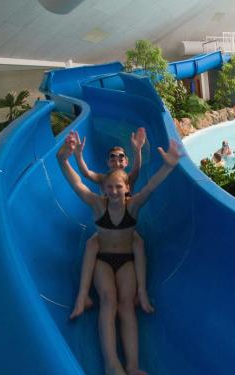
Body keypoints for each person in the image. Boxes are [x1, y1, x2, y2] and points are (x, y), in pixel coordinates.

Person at [57, 131, 181, 375]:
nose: (114, 191)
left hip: (126, 262)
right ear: (104, 189)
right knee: (108, 300)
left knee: (126, 305)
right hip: (103, 260)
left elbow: (151, 186)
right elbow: (77, 183)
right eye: (110, 187)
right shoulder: (97, 204)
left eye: (118, 187)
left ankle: (133, 365)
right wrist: (63, 160)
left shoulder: (133, 206)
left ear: (126, 189)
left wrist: (167, 167)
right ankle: (112, 364)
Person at [69, 128, 154, 320]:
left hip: (125, 224)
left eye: (121, 157)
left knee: (138, 243)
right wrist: (78, 155)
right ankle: (84, 294)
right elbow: (84, 173)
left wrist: (138, 150)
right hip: (107, 223)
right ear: (108, 162)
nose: (116, 160)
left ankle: (141, 291)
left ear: (126, 161)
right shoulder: (103, 179)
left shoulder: (128, 178)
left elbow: (138, 170)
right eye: (112, 157)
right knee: (92, 243)